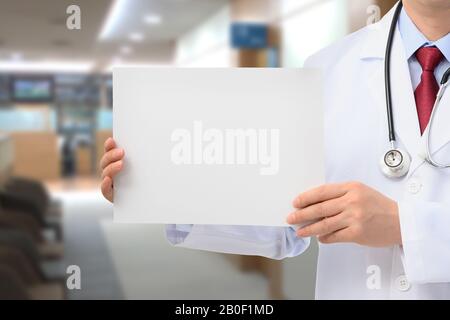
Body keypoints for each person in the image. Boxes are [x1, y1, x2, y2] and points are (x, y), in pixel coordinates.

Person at [100, 0, 450, 299]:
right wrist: (157, 188)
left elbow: (403, 225)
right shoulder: (327, 68)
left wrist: (406, 227)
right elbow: (288, 220)